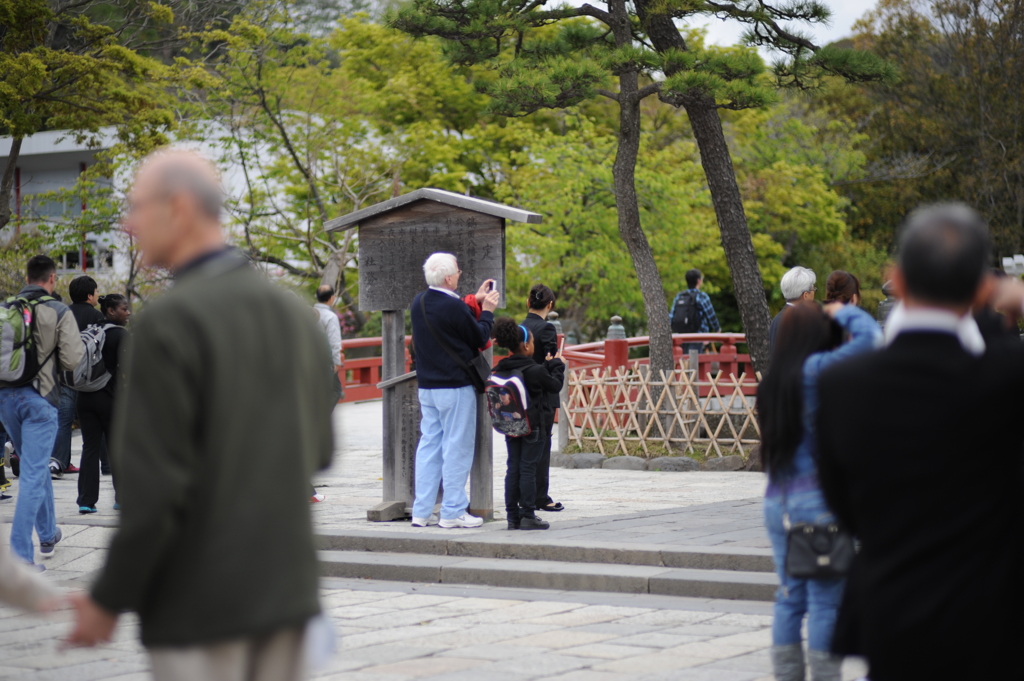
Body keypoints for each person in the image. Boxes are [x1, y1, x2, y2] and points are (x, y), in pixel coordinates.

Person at [66, 149, 336, 681]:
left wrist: (107, 599)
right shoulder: (294, 314)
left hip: (200, 599)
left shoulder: (169, 322)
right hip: (288, 592)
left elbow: (153, 490)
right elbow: (320, 452)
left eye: (138, 207)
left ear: (181, 208)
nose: (129, 223)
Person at [816, 203, 1024, 681]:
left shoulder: (845, 384)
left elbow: (842, 503)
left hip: (891, 610)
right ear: (981, 289)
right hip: (991, 613)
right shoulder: (1007, 375)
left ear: (899, 281)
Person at [757, 301, 881, 681]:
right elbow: (871, 338)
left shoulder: (774, 381)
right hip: (817, 504)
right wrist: (841, 311)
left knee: (790, 596)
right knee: (826, 602)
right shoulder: (813, 371)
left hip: (777, 503)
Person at [0, 256, 84, 565]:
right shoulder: (58, 310)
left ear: (27, 276)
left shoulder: (6, 307)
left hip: (6, 399)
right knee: (34, 473)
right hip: (40, 399)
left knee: (35, 467)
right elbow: (74, 360)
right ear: (52, 278)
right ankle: (21, 558)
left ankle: (48, 534)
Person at [409, 253, 498, 529]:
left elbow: (453, 315)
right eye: (457, 271)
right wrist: (488, 312)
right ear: (449, 278)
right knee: (457, 447)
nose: (459, 274)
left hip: (428, 386)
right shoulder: (455, 308)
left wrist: (475, 300)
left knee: (430, 446)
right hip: (456, 385)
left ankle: (421, 511)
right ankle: (452, 511)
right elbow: (481, 337)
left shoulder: (418, 302)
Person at [492, 317, 565, 531]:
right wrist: (556, 365)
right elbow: (555, 386)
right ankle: (528, 515)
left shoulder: (501, 369)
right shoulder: (535, 370)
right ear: (526, 345)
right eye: (532, 342)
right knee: (528, 468)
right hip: (534, 426)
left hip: (511, 425)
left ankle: (512, 516)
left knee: (513, 467)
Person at [75, 294, 130, 514]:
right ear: (110, 311)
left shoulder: (92, 329)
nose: (128, 313)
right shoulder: (119, 334)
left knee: (90, 447)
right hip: (109, 397)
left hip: (84, 397)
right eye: (124, 309)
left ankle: (86, 501)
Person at [50, 275, 108, 476]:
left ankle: (58, 463)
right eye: (96, 291)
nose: (98, 295)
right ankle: (107, 464)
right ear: (90, 295)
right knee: (96, 420)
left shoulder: (62, 313)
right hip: (90, 377)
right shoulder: (97, 316)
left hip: (65, 375)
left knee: (63, 421)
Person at [520, 284, 565, 513]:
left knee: (521, 448)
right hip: (541, 394)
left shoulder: (520, 327)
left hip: (520, 393)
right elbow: (550, 361)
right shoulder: (547, 329)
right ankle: (540, 496)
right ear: (550, 305)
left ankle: (522, 494)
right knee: (541, 446)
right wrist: (558, 364)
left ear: (528, 303)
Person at [311, 284, 344, 504]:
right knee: (335, 391)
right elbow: (334, 342)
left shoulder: (310, 313)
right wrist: (336, 363)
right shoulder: (329, 318)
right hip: (321, 368)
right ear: (331, 298)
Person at [671, 268, 720, 354]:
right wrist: (717, 330)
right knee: (695, 363)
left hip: (681, 336)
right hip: (698, 336)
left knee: (684, 362)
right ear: (698, 280)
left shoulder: (679, 296)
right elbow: (711, 316)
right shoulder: (701, 296)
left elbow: (671, 317)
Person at [769, 266, 817, 354]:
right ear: (805, 295)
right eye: (814, 289)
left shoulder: (777, 319)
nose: (814, 294)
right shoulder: (801, 321)